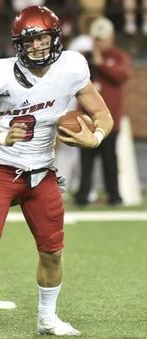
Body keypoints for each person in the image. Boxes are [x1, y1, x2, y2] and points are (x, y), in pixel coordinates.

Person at [0, 5, 113, 339]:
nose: (38, 46)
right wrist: (1, 136)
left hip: (41, 172)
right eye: (30, 41)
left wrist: (96, 137)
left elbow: (102, 112)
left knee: (52, 252)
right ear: (18, 44)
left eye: (43, 37)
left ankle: (47, 317)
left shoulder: (72, 67)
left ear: (55, 37)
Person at [74, 17, 131, 207]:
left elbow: (122, 75)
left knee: (109, 160)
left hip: (109, 120)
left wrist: (102, 64)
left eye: (102, 39)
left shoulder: (118, 56)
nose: (99, 43)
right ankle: (82, 195)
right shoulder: (84, 58)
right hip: (86, 118)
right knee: (85, 161)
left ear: (111, 38)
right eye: (96, 39)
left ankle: (114, 196)